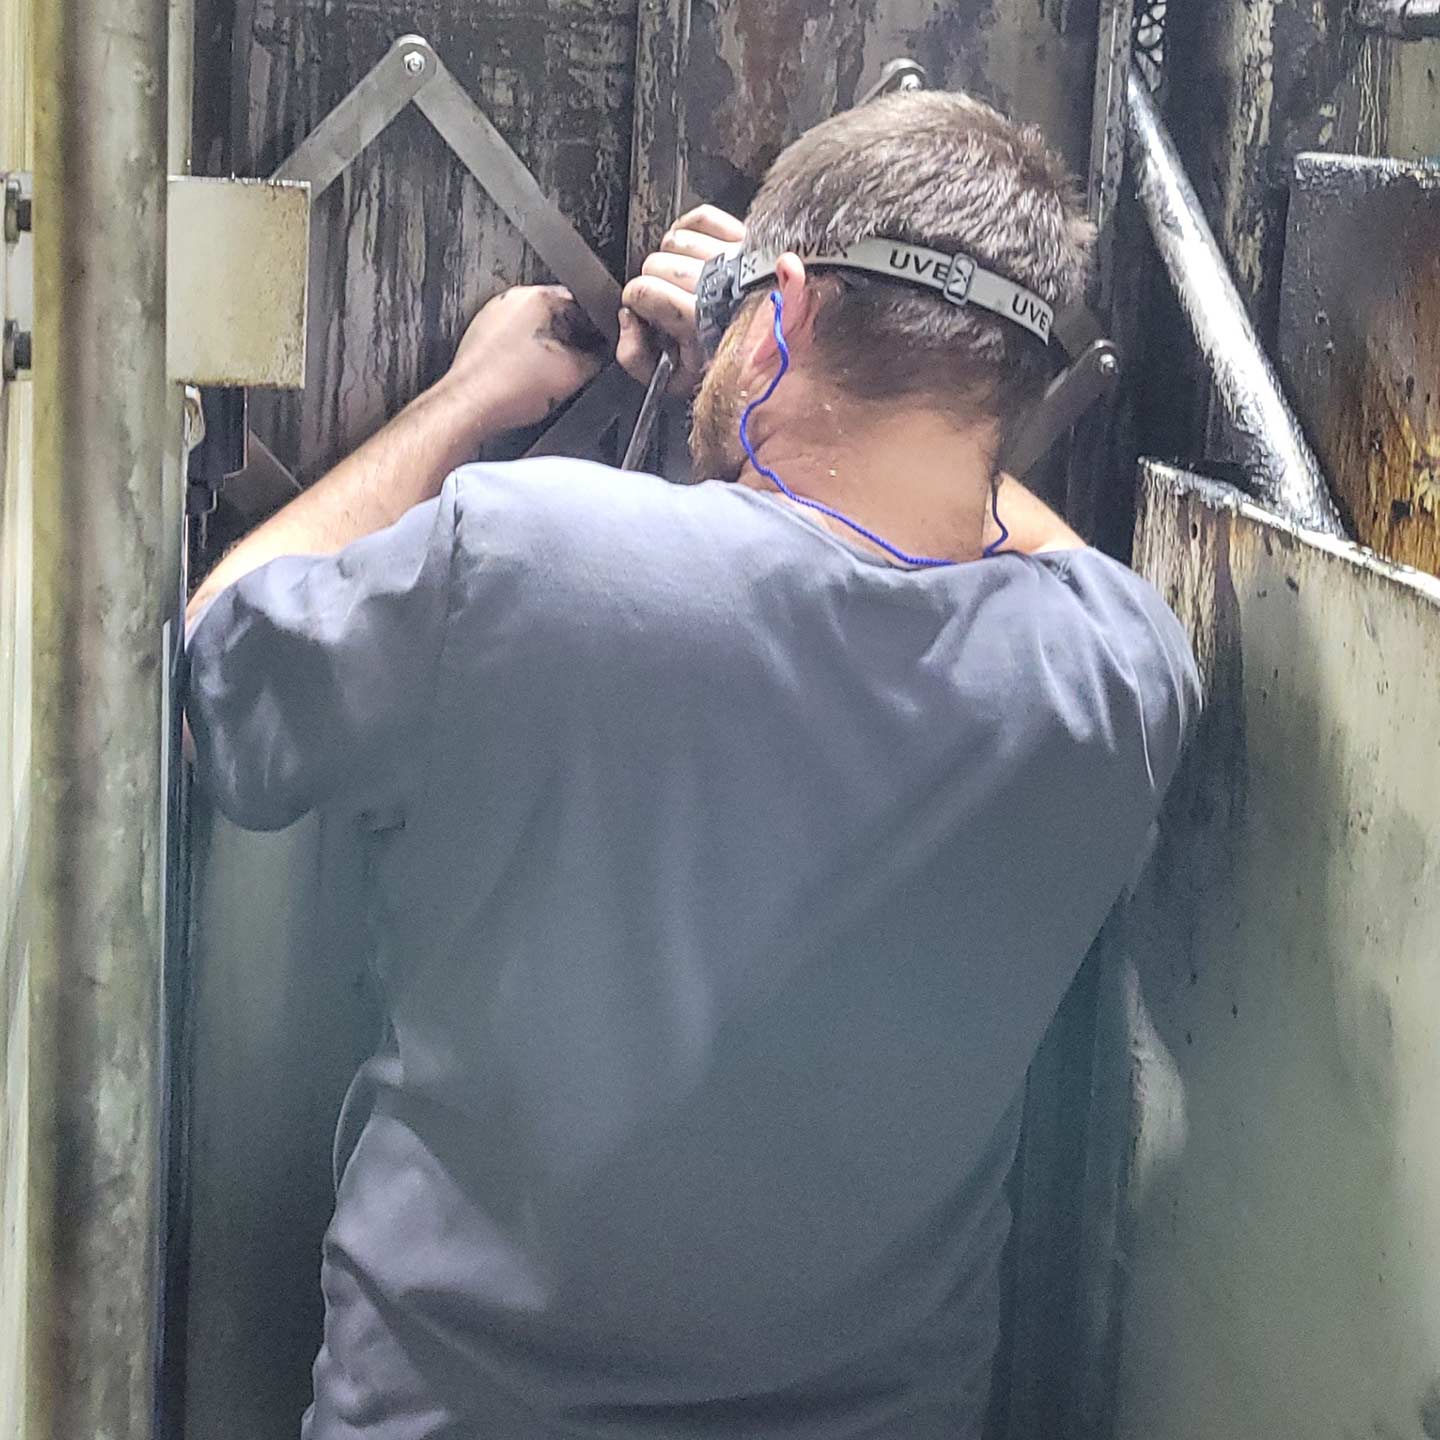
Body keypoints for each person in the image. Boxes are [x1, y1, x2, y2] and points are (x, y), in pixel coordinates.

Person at [187, 90, 1199, 1440]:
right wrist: (911, 363)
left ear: (782, 315)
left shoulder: (533, 557)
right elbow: (1007, 520)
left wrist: (469, 398)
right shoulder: (1117, 680)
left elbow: (217, 679)